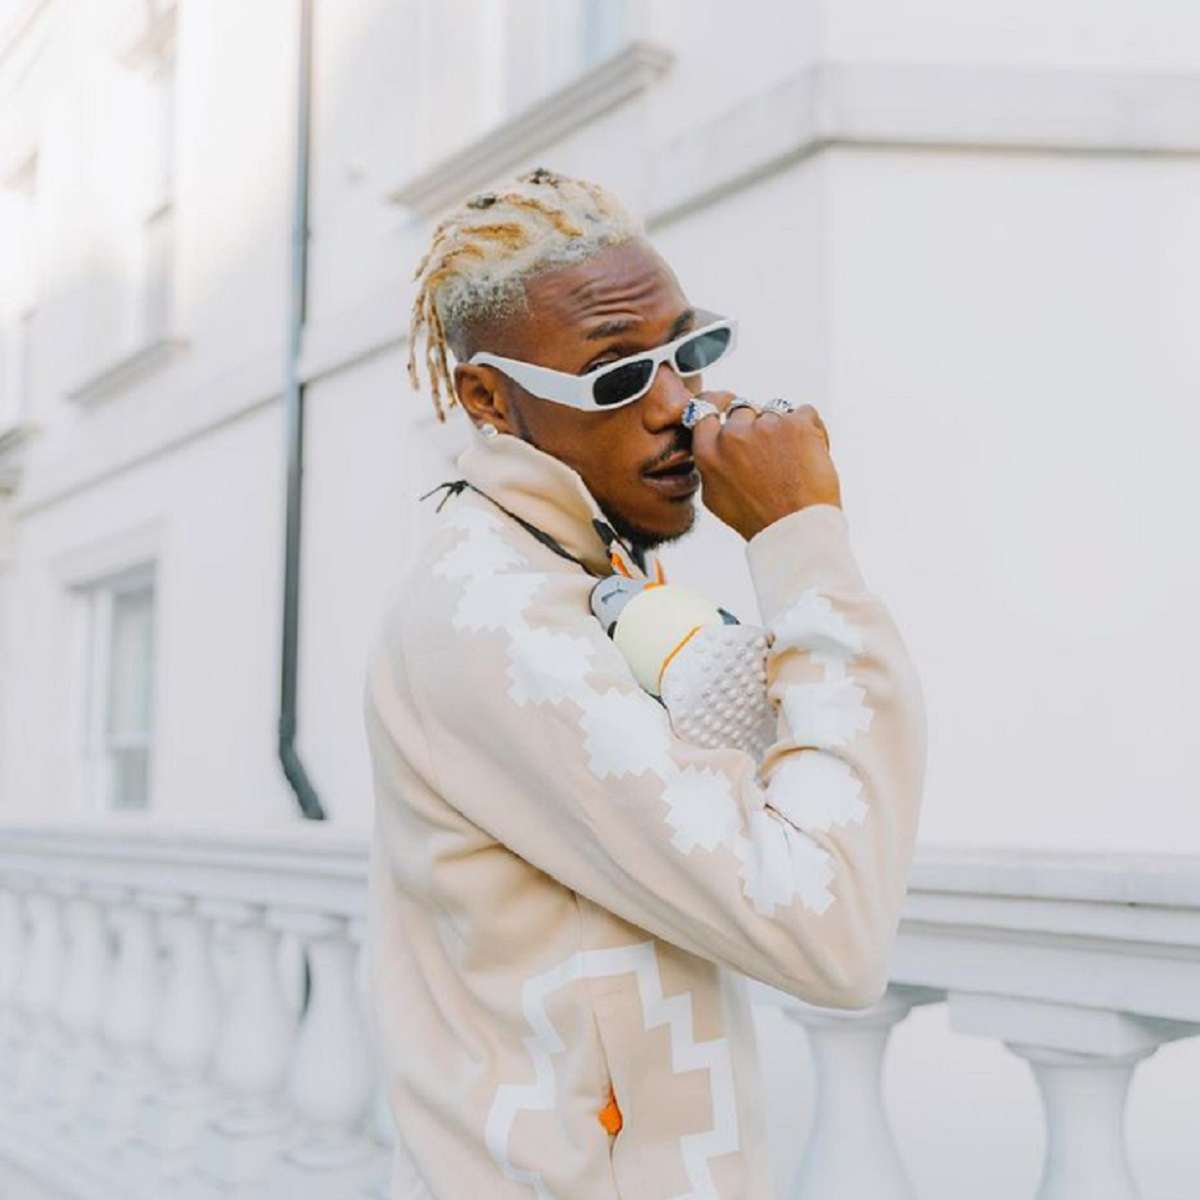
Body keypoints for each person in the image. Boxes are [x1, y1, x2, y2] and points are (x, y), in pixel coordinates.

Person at [363, 166, 927, 1199]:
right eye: (616, 375)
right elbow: (830, 933)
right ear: (488, 397)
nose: (677, 403)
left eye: (687, 350)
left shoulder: (572, 571)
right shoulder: (494, 615)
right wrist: (804, 545)